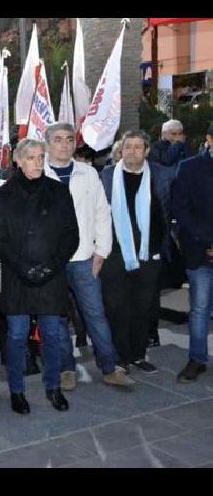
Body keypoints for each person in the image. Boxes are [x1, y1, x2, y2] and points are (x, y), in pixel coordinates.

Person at [43, 123, 135, 389]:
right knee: (58, 318)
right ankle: (65, 369)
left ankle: (109, 366)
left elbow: (101, 214)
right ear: (48, 143)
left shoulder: (88, 174)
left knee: (95, 314)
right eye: (58, 139)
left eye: (69, 139)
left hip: (85, 258)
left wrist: (101, 251)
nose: (64, 144)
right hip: (52, 264)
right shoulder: (39, 175)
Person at [0, 139, 80, 414]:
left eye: (41, 157)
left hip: (51, 276)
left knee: (53, 334)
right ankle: (17, 392)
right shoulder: (4, 194)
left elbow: (71, 236)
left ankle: (53, 387)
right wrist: (25, 269)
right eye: (31, 157)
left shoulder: (58, 191)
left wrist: (50, 267)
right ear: (18, 160)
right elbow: (0, 240)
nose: (37, 162)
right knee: (17, 336)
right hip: (18, 278)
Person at [100, 131, 173, 375]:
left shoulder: (161, 175)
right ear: (121, 150)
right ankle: (121, 357)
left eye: (137, 147)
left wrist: (163, 247)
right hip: (115, 254)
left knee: (143, 308)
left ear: (147, 151)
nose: (132, 151)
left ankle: (139, 354)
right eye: (127, 146)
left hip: (148, 254)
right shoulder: (107, 176)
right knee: (116, 308)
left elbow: (169, 209)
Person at [173, 123, 213, 383]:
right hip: (201, 251)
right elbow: (181, 209)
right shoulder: (189, 168)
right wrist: (208, 241)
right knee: (199, 309)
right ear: (209, 138)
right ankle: (197, 359)